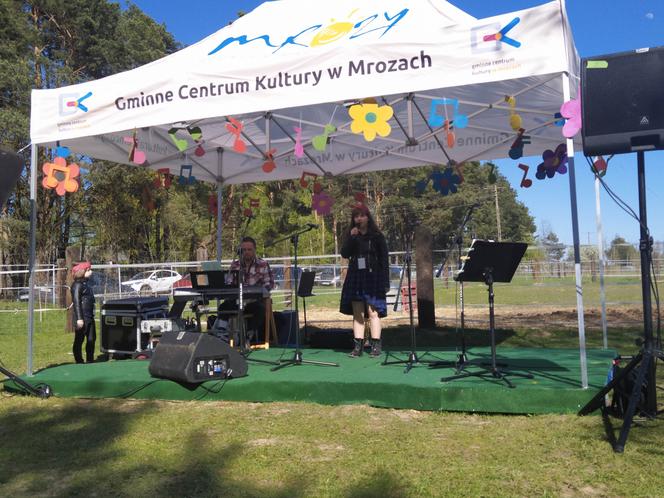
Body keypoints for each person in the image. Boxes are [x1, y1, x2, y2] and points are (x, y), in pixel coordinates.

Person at [340, 205, 390, 357]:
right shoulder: (352, 235)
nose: (359, 219)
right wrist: (352, 237)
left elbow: (384, 260)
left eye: (362, 216)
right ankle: (358, 347)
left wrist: (385, 282)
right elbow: (345, 254)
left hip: (373, 276)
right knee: (358, 313)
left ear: (368, 217)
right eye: (356, 216)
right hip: (356, 276)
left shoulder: (377, 236)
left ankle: (375, 346)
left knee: (373, 312)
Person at [216, 236, 274, 349]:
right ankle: (221, 336)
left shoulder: (263, 264)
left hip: (254, 301)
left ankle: (248, 337)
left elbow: (269, 284)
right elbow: (229, 283)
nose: (247, 252)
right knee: (224, 306)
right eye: (244, 250)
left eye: (249, 249)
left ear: (254, 250)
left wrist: (256, 292)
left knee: (260, 309)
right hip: (238, 300)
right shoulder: (235, 265)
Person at [70, 261, 96, 363]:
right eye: (88, 270)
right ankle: (79, 360)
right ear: (82, 272)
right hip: (82, 317)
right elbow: (76, 302)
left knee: (91, 338)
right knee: (79, 339)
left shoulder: (86, 284)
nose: (91, 272)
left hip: (89, 316)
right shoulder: (77, 285)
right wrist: (79, 318)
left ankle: (90, 359)